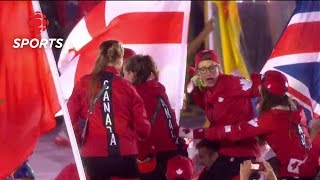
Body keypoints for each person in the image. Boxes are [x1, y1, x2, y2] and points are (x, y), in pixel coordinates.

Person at [183, 70, 320, 179]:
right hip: (307, 166)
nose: (258, 87)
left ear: (265, 93)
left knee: (245, 167)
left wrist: (191, 133)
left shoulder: (270, 119)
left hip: (295, 174)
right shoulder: (296, 109)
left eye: (261, 86)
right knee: (258, 165)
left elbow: (232, 132)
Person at [67, 40, 151, 179]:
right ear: (121, 61)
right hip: (125, 153)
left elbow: (70, 116)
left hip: (94, 155)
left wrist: (78, 140)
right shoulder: (127, 87)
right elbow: (143, 127)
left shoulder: (85, 83)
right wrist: (138, 137)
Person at [180, 49, 261, 180]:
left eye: (212, 68)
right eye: (203, 70)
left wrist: (258, 78)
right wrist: (196, 90)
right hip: (224, 152)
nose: (208, 73)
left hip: (243, 154)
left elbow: (258, 89)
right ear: (197, 73)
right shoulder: (207, 90)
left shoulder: (233, 83)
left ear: (219, 68)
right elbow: (208, 108)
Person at [123, 54, 188, 180]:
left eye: (125, 74)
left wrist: (141, 156)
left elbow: (138, 129)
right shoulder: (160, 91)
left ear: (132, 74)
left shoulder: (135, 95)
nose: (123, 78)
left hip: (156, 155)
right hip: (177, 151)